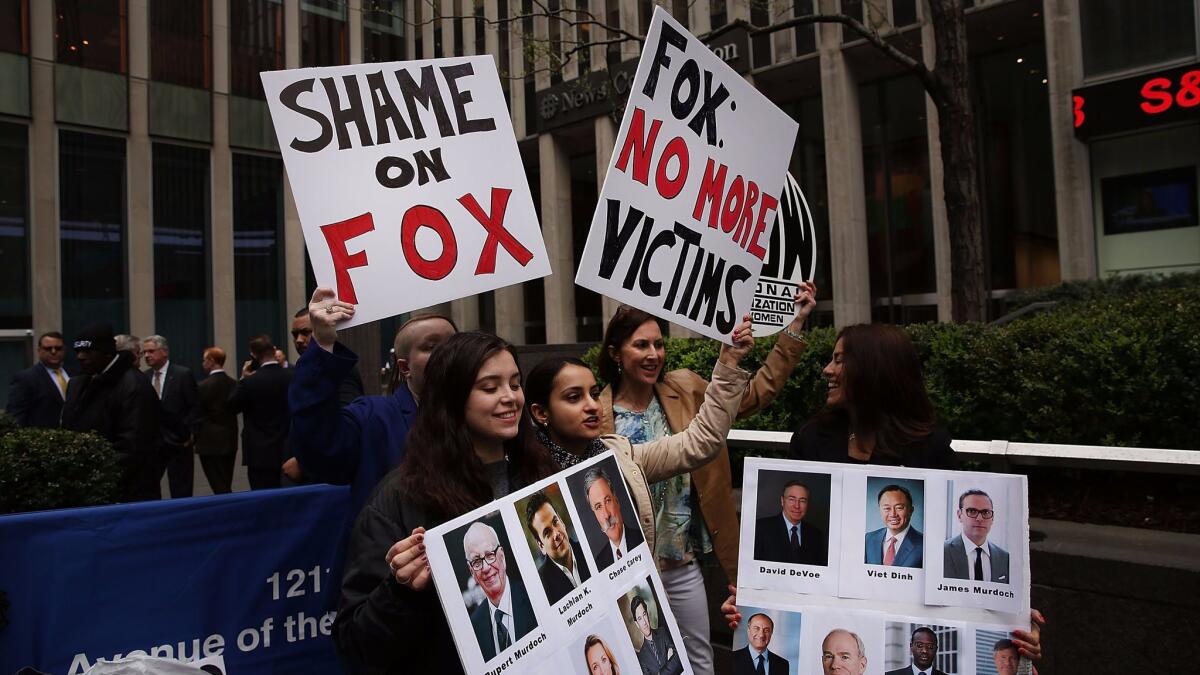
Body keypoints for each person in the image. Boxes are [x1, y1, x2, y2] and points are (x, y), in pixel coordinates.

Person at [335, 315, 756, 674]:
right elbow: (357, 646)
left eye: (514, 383)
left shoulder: (552, 478)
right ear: (451, 400)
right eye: (489, 387)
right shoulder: (398, 500)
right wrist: (400, 591)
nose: (508, 398)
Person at [723, 324, 1044, 661]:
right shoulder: (811, 439)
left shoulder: (929, 449)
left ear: (874, 370)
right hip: (827, 626)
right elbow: (785, 568)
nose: (827, 370)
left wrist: (1011, 621)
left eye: (839, 361)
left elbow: (954, 569)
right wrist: (751, 598)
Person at [596, 282, 816, 675]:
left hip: (681, 561)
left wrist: (794, 327)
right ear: (616, 352)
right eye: (641, 345)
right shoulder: (595, 414)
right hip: (627, 567)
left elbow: (753, 396)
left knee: (700, 661)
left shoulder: (687, 385)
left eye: (658, 344)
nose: (653, 354)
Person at [289, 287, 457, 518]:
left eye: (454, 344)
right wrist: (323, 343)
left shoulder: (484, 414)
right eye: (430, 347)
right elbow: (320, 448)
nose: (447, 353)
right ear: (404, 367)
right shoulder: (373, 417)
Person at [60, 322, 158, 501]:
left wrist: (92, 476)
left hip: (125, 492)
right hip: (88, 488)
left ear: (107, 353)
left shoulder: (133, 385)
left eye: (89, 351)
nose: (81, 357)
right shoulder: (79, 383)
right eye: (78, 352)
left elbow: (133, 447)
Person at [462, 521, 536, 660]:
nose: (485, 568)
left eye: (490, 555)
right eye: (477, 561)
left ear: (501, 556)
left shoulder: (534, 596)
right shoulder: (474, 627)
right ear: (472, 572)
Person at [227, 334, 292, 490]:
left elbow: (231, 407)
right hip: (289, 450)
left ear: (254, 355)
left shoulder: (249, 383)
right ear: (273, 350)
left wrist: (242, 378)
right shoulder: (292, 376)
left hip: (259, 454)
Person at [143, 335, 199, 498]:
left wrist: (190, 434)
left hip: (179, 441)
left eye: (151, 351)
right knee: (150, 487)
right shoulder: (144, 377)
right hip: (154, 442)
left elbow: (194, 406)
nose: (147, 356)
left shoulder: (182, 374)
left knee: (181, 488)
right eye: (145, 352)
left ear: (164, 352)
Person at [523, 489, 590, 604]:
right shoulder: (542, 586)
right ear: (541, 546)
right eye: (547, 532)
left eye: (555, 522)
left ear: (562, 522)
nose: (556, 534)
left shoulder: (589, 549)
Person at [583, 466, 646, 570]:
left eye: (607, 501)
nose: (607, 515)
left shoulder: (643, 538)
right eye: (598, 507)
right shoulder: (598, 565)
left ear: (617, 501)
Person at [753, 479, 827, 566]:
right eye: (792, 499)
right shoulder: (760, 528)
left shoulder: (816, 535)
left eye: (802, 500)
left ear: (807, 504)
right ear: (782, 501)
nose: (797, 506)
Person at [195, 347, 238, 494]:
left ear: (211, 361)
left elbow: (197, 412)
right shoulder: (234, 384)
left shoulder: (203, 386)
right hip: (230, 439)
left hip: (208, 441)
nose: (203, 363)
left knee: (216, 483)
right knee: (226, 480)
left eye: (204, 360)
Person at [943, 489, 1010, 583]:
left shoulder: (1004, 557)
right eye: (972, 511)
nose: (979, 518)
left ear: (992, 518)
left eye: (986, 512)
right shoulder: (942, 552)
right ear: (959, 515)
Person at [6, 331, 70, 428]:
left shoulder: (75, 374)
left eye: (58, 348)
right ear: (39, 350)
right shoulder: (26, 379)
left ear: (64, 350)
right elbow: (15, 416)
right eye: (48, 348)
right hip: (43, 439)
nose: (53, 351)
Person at [865, 484, 923, 568]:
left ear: (911, 510)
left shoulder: (923, 545)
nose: (893, 514)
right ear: (880, 510)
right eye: (887, 508)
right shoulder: (868, 539)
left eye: (899, 508)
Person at [632, 595, 681, 675]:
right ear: (637, 624)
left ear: (648, 615)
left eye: (644, 614)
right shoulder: (641, 657)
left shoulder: (662, 632)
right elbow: (674, 663)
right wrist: (669, 663)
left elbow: (678, 659)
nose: (644, 622)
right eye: (639, 618)